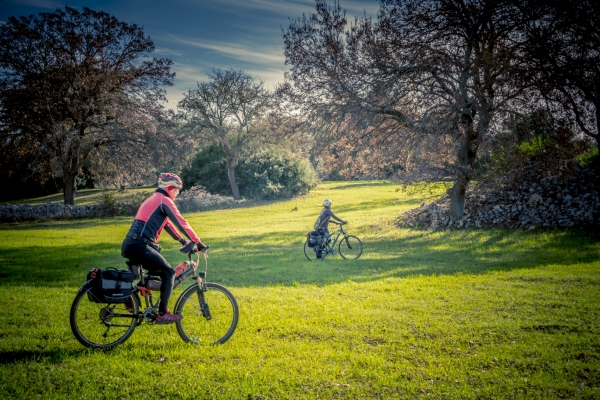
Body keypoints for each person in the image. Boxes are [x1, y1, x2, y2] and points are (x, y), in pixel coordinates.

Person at [121, 173, 207, 324]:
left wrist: (181, 240)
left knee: (156, 273)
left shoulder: (153, 200)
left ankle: (130, 294)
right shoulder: (164, 200)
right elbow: (182, 223)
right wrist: (198, 242)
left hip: (131, 244)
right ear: (170, 188)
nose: (177, 194)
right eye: (177, 191)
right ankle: (162, 313)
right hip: (140, 245)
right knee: (169, 272)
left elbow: (166, 224)